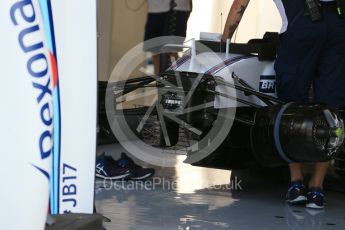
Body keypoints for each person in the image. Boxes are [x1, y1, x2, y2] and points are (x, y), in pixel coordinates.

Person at [222, 0, 345, 209]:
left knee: (290, 105)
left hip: (302, 30)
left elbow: (239, 4)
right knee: (331, 109)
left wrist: (223, 40)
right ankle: (317, 188)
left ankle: (296, 183)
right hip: (338, 26)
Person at [143, 0, 192, 74]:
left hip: (178, 7)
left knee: (172, 49)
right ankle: (158, 81)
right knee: (154, 49)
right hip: (154, 8)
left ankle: (173, 80)